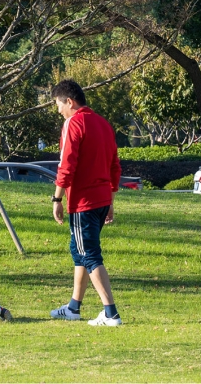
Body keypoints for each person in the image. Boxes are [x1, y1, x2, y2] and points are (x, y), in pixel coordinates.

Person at [48, 79, 123, 327]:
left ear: (69, 102)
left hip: (84, 201)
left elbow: (66, 165)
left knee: (89, 255)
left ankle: (110, 313)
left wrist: (57, 198)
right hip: (101, 199)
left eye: (58, 105)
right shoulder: (103, 124)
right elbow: (114, 166)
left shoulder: (73, 123)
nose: (58, 111)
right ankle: (73, 307)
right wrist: (110, 200)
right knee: (79, 251)